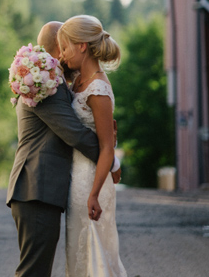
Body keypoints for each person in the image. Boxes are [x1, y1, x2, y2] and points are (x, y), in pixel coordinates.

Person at [7, 21, 120, 277]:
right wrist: (110, 157)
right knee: (34, 271)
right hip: (36, 187)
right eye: (65, 43)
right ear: (60, 48)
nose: (68, 50)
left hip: (43, 189)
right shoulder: (45, 83)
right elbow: (75, 134)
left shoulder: (59, 81)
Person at [58, 15, 127, 277]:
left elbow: (107, 146)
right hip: (76, 178)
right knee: (77, 250)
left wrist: (95, 194)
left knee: (94, 250)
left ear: (82, 46)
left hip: (91, 180)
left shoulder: (98, 88)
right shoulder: (77, 81)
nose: (63, 55)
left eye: (65, 48)